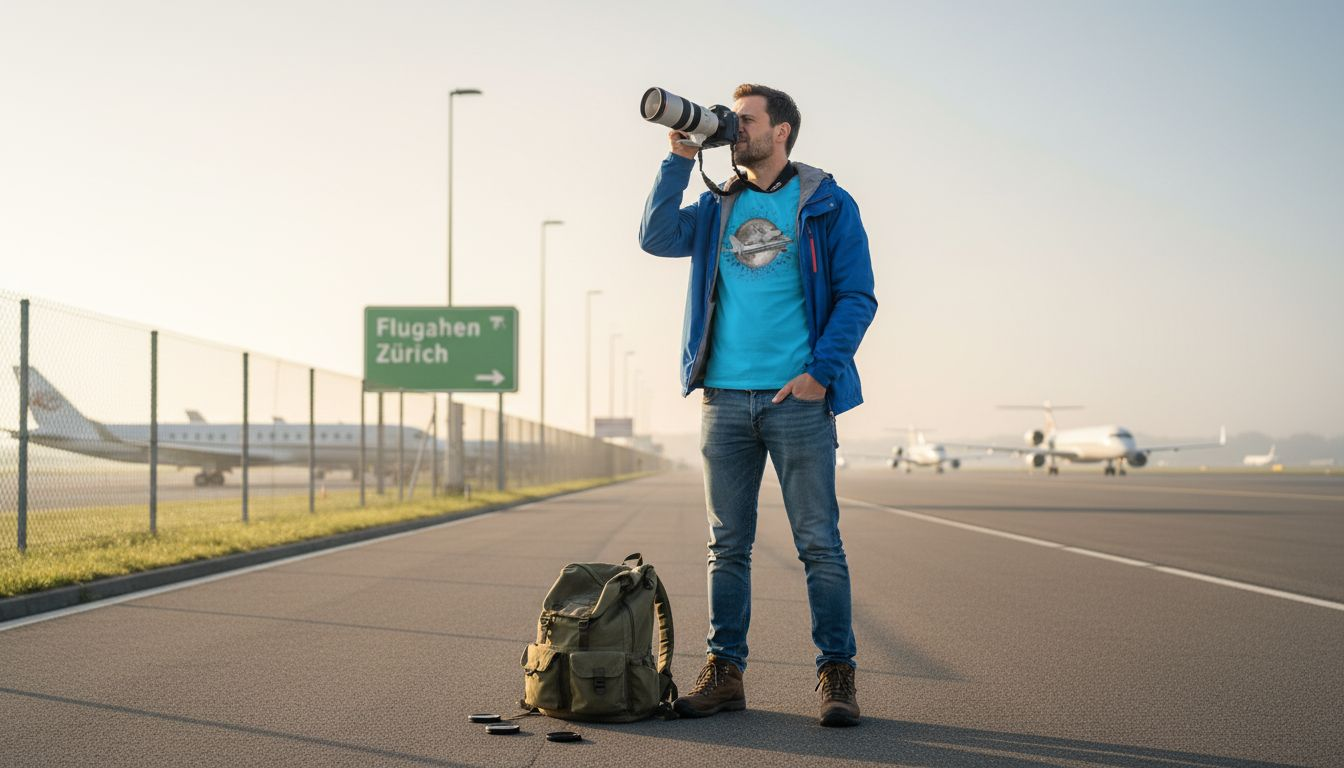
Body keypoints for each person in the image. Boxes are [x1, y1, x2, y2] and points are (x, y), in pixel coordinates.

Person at [638, 84, 877, 727]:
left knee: (819, 544)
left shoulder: (825, 202)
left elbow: (858, 295)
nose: (734, 129)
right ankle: (725, 673)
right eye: (731, 120)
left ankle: (836, 675)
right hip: (723, 398)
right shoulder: (717, 207)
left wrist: (820, 374)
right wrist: (679, 157)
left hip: (795, 400)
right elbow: (655, 237)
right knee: (727, 546)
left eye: (746, 120)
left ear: (783, 132)